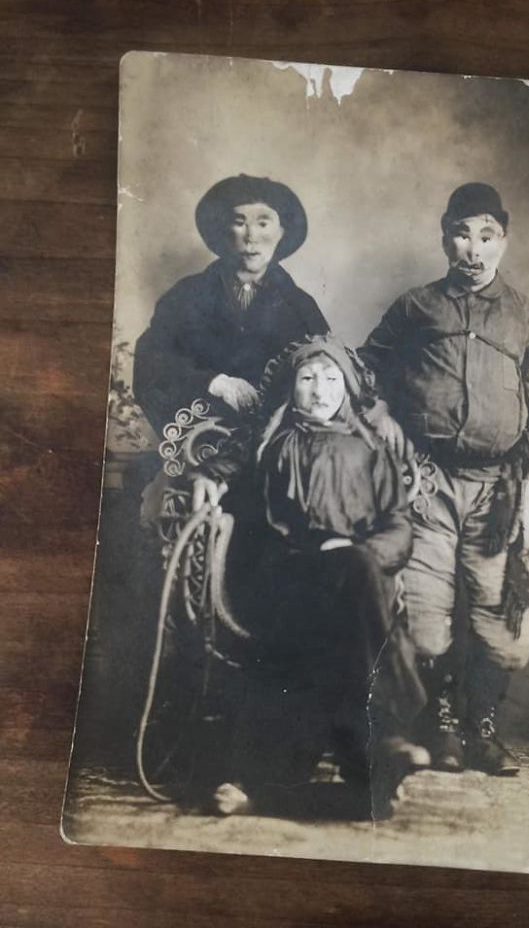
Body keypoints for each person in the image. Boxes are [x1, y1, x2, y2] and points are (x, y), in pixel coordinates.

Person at [360, 183, 529, 776]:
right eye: (461, 234)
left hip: (498, 492)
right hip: (424, 487)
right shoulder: (415, 306)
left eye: (486, 236)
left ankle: (484, 729)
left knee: (503, 627)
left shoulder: (528, 316)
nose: (472, 249)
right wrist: (382, 423)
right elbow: (362, 371)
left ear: (504, 239)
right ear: (445, 235)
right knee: (424, 619)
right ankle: (443, 724)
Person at [201, 335, 428, 820]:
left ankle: (274, 782)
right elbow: (231, 468)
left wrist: (358, 552)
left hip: (355, 579)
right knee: (348, 581)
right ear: (292, 389)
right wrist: (207, 476)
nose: (320, 390)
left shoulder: (371, 450)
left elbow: (400, 527)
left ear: (346, 387)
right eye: (308, 379)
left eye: (330, 379)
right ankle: (383, 734)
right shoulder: (271, 443)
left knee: (355, 569)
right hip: (285, 574)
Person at [133, 174, 329, 436]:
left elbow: (325, 375)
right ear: (222, 231)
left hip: (276, 446)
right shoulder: (185, 295)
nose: (251, 237)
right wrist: (214, 382)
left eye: (263, 223)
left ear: (282, 231)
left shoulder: (300, 306)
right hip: (201, 442)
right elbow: (151, 363)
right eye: (239, 222)